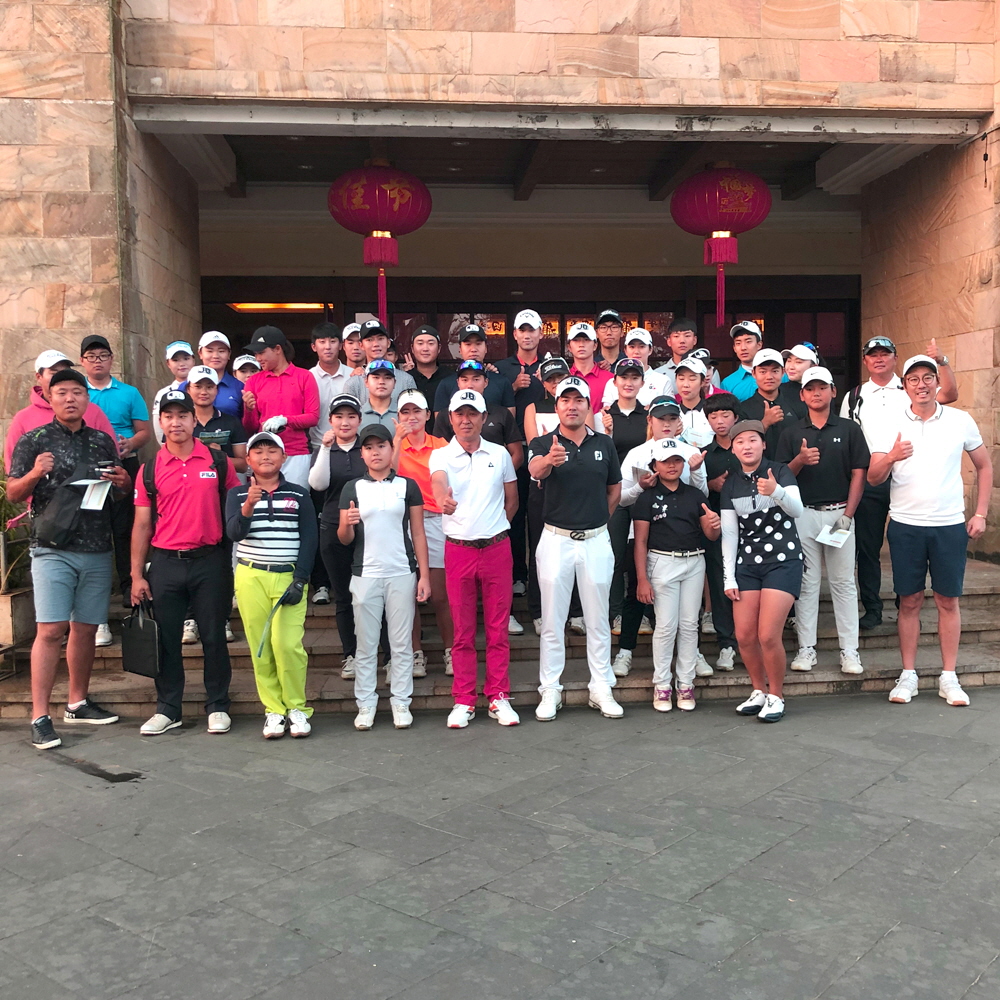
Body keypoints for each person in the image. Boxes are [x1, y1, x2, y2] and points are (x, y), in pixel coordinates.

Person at [7, 368, 127, 750]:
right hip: (52, 549)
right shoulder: (34, 439)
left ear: (87, 398)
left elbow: (117, 492)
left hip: (96, 546)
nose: (70, 398)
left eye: (77, 392)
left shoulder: (102, 441)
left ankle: (77, 701)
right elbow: (12, 492)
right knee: (51, 629)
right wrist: (34, 473)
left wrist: (123, 483)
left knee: (87, 628)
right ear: (49, 396)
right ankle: (40, 716)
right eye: (62, 392)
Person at [868, 354, 991, 708]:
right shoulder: (889, 422)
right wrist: (891, 456)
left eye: (927, 378)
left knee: (947, 600)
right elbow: (874, 477)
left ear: (937, 382)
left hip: (949, 525)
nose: (921, 385)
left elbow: (984, 466)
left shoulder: (959, 420)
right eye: (913, 379)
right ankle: (908, 674)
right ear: (904, 386)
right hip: (906, 525)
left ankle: (949, 676)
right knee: (909, 601)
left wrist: (980, 513)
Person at [131, 389, 240, 736]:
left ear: (195, 420)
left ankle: (218, 704)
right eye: (169, 416)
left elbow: (234, 511)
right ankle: (168, 708)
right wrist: (136, 574)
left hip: (210, 560)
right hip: (166, 562)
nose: (175, 422)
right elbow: (142, 525)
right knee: (165, 639)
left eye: (182, 416)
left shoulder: (217, 462)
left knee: (213, 636)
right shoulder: (149, 469)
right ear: (160, 423)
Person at [841, 336, 958, 629]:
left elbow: (950, 394)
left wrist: (942, 361)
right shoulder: (854, 396)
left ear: (895, 358)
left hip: (909, 476)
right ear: (865, 361)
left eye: (885, 353)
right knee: (868, 548)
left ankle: (905, 604)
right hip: (872, 476)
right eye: (873, 355)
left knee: (906, 543)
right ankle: (873, 608)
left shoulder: (909, 387)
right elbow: (847, 438)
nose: (879, 359)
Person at [527, 376, 623, 721]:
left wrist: (597, 521)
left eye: (578, 400)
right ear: (556, 407)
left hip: (595, 539)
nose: (572, 406)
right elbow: (534, 470)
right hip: (556, 539)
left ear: (588, 405)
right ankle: (550, 688)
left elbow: (614, 489)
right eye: (565, 400)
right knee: (553, 621)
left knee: (598, 620)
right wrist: (550, 460)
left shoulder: (605, 443)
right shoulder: (543, 443)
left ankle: (601, 686)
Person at [430, 389, 520, 728]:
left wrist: (494, 528)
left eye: (472, 414)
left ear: (484, 418)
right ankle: (464, 699)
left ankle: (498, 695)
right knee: (463, 630)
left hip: (496, 549)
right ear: (450, 418)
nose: (465, 420)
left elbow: (512, 500)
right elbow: (439, 482)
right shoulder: (440, 455)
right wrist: (443, 499)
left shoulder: (500, 453)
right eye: (459, 414)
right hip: (458, 550)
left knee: (498, 628)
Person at [775, 366, 870, 676]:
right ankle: (807, 648)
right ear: (802, 395)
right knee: (806, 583)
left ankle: (850, 651)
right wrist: (800, 461)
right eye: (810, 389)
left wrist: (848, 515)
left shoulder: (849, 429)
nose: (816, 393)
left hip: (839, 514)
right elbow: (782, 478)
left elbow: (859, 473)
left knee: (843, 584)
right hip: (803, 515)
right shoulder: (791, 433)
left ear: (833, 391)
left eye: (822, 387)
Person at [338, 423, 430, 731]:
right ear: (361, 454)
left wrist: (424, 576)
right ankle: (366, 703)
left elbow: (418, 532)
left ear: (392, 449)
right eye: (368, 447)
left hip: (401, 572)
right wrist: (347, 524)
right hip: (365, 574)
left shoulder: (407, 486)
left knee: (401, 643)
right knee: (366, 644)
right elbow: (344, 538)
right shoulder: (352, 488)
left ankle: (401, 701)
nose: (375, 452)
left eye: (381, 446)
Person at [227, 431, 316, 739]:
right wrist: (248, 507)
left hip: (288, 576)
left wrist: (301, 578)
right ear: (248, 459)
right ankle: (274, 709)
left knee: (287, 644)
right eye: (258, 451)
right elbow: (234, 534)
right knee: (261, 644)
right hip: (251, 576)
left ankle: (296, 707)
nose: (265, 456)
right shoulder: (237, 495)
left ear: (284, 457)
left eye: (272, 450)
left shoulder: (299, 494)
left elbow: (310, 538)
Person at [615, 395, 708, 676]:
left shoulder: (689, 452)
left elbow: (701, 495)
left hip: (683, 537)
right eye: (661, 419)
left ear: (679, 421)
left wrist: (696, 471)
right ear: (650, 420)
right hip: (643, 534)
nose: (666, 424)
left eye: (672, 418)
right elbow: (620, 498)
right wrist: (640, 488)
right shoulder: (637, 453)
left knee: (688, 607)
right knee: (636, 592)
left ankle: (694, 654)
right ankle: (625, 650)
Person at [722, 419, 804, 724]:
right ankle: (758, 690)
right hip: (747, 564)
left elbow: (797, 510)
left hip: (783, 560)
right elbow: (730, 533)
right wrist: (729, 576)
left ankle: (776, 695)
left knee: (768, 634)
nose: (747, 446)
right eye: (740, 441)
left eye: (753, 440)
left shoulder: (779, 471)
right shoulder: (731, 484)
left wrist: (777, 491)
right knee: (744, 636)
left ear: (763, 444)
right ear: (733, 448)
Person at [633, 438, 721, 712]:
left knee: (689, 624)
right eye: (665, 461)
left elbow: (710, 535)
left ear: (683, 464)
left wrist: (715, 525)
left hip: (694, 561)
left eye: (676, 460)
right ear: (655, 465)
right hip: (662, 562)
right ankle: (662, 684)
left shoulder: (695, 495)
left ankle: (685, 683)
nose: (671, 466)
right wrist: (642, 579)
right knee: (666, 626)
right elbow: (640, 541)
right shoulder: (647, 497)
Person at [80, 334, 151, 613]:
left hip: (124, 465)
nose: (97, 361)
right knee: (94, 526)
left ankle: (128, 585)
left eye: (103, 356)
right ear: (82, 361)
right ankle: (94, 590)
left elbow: (144, 431)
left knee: (125, 527)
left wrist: (130, 443)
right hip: (90, 469)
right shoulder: (78, 392)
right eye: (91, 357)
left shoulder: (129, 393)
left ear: (111, 359)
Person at [522, 356, 587, 637]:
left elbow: (587, 437)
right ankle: (539, 610)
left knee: (577, 551)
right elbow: (533, 445)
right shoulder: (533, 407)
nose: (555, 383)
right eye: (550, 379)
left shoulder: (579, 406)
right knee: (540, 550)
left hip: (575, 485)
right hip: (542, 485)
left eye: (560, 377)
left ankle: (576, 610)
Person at [392, 388, 454, 677]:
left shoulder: (441, 445)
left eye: (417, 411)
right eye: (405, 412)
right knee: (408, 594)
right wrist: (396, 441)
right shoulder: (393, 445)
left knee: (440, 595)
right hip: (403, 522)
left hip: (437, 520)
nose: (411, 417)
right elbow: (387, 477)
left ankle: (451, 650)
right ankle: (415, 653)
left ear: (428, 414)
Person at [309, 393, 371, 680]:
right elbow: (318, 484)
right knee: (344, 597)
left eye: (351, 417)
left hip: (369, 529)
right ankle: (351, 655)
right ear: (330, 420)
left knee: (372, 595)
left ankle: (384, 655)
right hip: (333, 528)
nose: (345, 422)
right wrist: (325, 448)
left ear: (359, 420)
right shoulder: (324, 450)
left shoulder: (367, 446)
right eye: (339, 417)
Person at [493, 309, 546, 595]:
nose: (527, 335)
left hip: (544, 453)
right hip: (511, 451)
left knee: (540, 517)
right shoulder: (500, 369)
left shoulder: (551, 365)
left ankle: (540, 575)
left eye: (532, 330)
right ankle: (517, 575)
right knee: (513, 514)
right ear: (514, 334)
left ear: (541, 333)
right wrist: (512, 387)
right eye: (522, 330)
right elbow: (492, 406)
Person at [5, 350, 115, 473]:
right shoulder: (23, 418)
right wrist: (35, 474)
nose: (69, 399)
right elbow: (13, 469)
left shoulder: (93, 411)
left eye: (65, 371)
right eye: (53, 372)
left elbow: (112, 456)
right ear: (39, 377)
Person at [599, 358, 648, 634]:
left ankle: (645, 613)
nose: (629, 383)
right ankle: (616, 613)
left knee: (645, 556)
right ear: (615, 381)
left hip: (646, 493)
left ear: (642, 382)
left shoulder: (650, 415)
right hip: (615, 493)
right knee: (615, 555)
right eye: (624, 378)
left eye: (634, 378)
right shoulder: (604, 416)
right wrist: (606, 432)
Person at [241, 325, 319, 490]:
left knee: (295, 501)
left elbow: (313, 417)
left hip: (296, 452)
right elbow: (250, 428)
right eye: (256, 354)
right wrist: (248, 410)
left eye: (261, 352)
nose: (258, 358)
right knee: (264, 502)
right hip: (265, 453)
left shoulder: (304, 376)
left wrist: (285, 420)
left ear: (277, 349)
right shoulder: (254, 381)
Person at [307, 321, 348, 606]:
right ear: (314, 346)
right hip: (316, 451)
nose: (328, 346)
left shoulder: (354, 376)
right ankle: (321, 582)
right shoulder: (307, 377)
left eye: (333, 341)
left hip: (348, 451)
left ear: (340, 345)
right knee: (320, 518)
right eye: (322, 341)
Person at [700, 392, 743, 670]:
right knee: (719, 584)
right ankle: (726, 643)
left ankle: (749, 642)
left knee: (748, 586)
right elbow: (695, 492)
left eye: (725, 415)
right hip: (717, 530)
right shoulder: (704, 455)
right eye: (713, 416)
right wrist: (711, 486)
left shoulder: (747, 448)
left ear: (736, 417)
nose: (719, 421)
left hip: (751, 529)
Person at [432, 362, 523, 470]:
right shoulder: (445, 415)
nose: (470, 385)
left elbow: (517, 454)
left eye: (476, 379)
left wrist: (501, 475)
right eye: (464, 380)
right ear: (458, 383)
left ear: (486, 382)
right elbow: (438, 453)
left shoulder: (502, 413)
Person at [432, 323, 515, 416]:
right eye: (468, 344)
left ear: (486, 348)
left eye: (478, 344)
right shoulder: (446, 384)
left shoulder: (502, 382)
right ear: (460, 349)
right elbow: (441, 422)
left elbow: (509, 420)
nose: (473, 349)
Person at [739, 349, 800, 458]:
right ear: (754, 373)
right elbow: (742, 445)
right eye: (763, 372)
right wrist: (764, 423)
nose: (769, 377)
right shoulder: (743, 409)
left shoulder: (797, 403)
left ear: (783, 372)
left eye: (775, 371)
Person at [187, 365, 248, 473]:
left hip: (224, 481)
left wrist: (219, 456)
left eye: (210, 387)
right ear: (188, 389)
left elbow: (243, 465)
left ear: (217, 390)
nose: (204, 392)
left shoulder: (232, 422)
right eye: (198, 386)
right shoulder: (180, 423)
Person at [343, 320, 417, 406]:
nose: (376, 344)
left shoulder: (406, 380)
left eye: (380, 339)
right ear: (361, 345)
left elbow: (414, 411)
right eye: (369, 340)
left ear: (388, 343)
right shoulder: (353, 383)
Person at [600, 329, 670, 409]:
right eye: (632, 347)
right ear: (625, 350)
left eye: (642, 346)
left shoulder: (663, 381)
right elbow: (607, 412)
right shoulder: (612, 382)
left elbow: (669, 411)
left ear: (650, 350)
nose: (636, 351)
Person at [655, 317, 723, 392]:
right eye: (676, 336)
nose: (682, 341)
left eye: (687, 336)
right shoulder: (658, 374)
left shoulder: (709, 371)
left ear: (694, 340)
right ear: (669, 341)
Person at [189, 331, 244, 418]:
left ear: (229, 354)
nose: (215, 356)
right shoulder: (186, 385)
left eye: (221, 351)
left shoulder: (239, 387)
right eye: (210, 351)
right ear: (200, 353)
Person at [151, 341, 195, 441]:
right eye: (175, 360)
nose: (182, 364)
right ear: (168, 363)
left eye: (186, 358)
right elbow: (159, 431)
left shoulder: (207, 390)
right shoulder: (163, 393)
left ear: (193, 360)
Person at [403, 324, 448, 412]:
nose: (425, 348)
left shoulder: (450, 378)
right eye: (420, 343)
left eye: (431, 343)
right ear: (412, 348)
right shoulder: (406, 380)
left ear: (439, 348)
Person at [672, 355, 714, 448]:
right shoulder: (670, 414)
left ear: (702, 382)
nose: (685, 385)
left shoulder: (713, 413)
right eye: (681, 379)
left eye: (692, 379)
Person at [566, 322, 613, 404]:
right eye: (576, 340)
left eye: (586, 340)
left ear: (595, 345)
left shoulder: (610, 379)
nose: (581, 344)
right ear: (569, 347)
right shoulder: (564, 378)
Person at [720, 321, 764, 401]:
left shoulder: (779, 377)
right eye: (738, 343)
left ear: (759, 345)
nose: (743, 348)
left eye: (748, 342)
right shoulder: (728, 383)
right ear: (734, 348)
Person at [358, 359, 400, 427]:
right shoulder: (357, 415)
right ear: (366, 382)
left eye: (387, 378)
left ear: (394, 383)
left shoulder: (403, 415)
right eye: (376, 377)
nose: (381, 382)